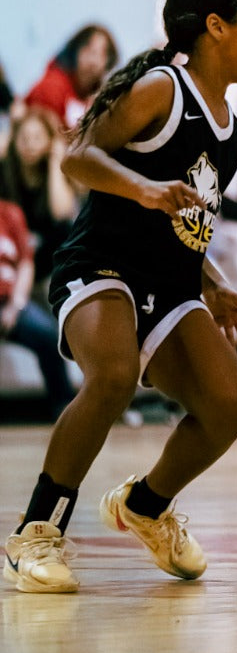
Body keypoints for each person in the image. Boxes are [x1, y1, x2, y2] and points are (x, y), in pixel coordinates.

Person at [3, 0, 237, 595]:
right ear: (216, 27)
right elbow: (78, 157)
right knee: (114, 374)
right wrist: (143, 188)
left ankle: (146, 506)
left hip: (171, 281)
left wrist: (213, 280)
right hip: (100, 264)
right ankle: (35, 533)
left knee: (228, 405)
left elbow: (188, 221)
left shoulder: (230, 132)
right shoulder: (162, 89)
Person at [0, 197, 75, 420]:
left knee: (48, 334)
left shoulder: (10, 213)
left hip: (9, 301)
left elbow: (26, 262)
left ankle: (64, 409)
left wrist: (15, 304)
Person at [0, 105, 77, 293]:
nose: (30, 145)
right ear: (14, 139)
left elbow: (61, 214)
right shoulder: (5, 169)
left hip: (42, 252)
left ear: (49, 141)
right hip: (9, 247)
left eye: (37, 138)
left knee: (66, 229)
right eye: (24, 138)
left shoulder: (53, 172)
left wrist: (55, 162)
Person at [24, 25, 119, 131]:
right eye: (90, 51)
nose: (94, 61)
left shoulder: (100, 98)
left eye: (102, 54)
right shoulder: (51, 88)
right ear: (75, 52)